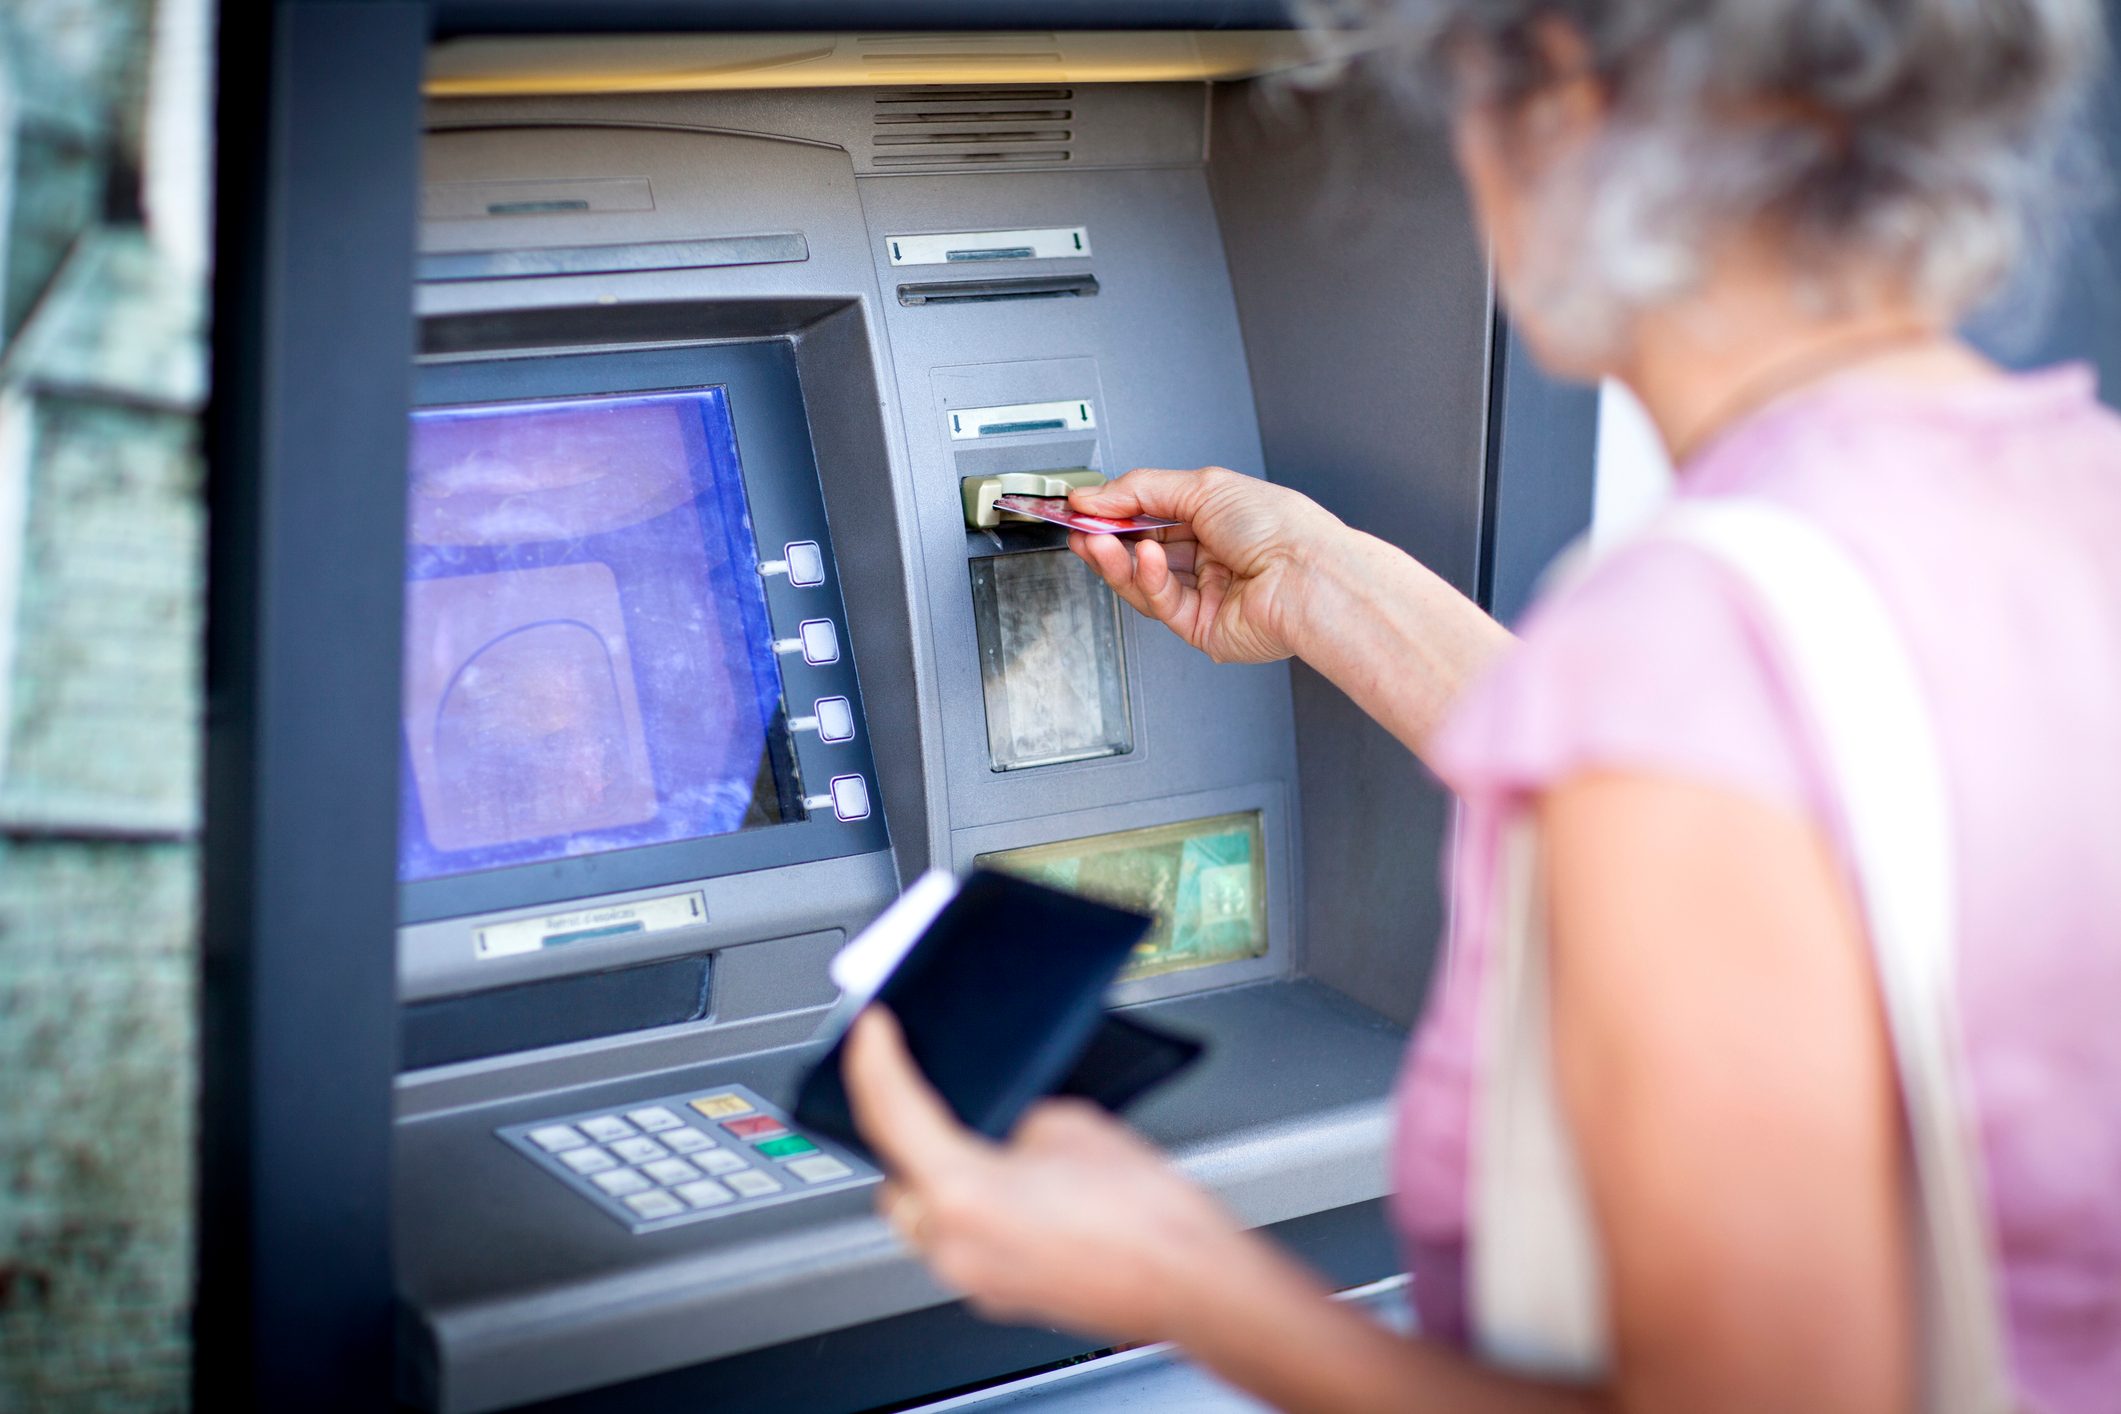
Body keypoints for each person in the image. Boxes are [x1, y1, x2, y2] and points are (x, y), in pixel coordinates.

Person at [840, 0, 2121, 1408]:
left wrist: (1180, 1278)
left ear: (1563, 96)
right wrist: (1333, 586)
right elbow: (1794, 807)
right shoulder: (2072, 493)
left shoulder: (1686, 651)